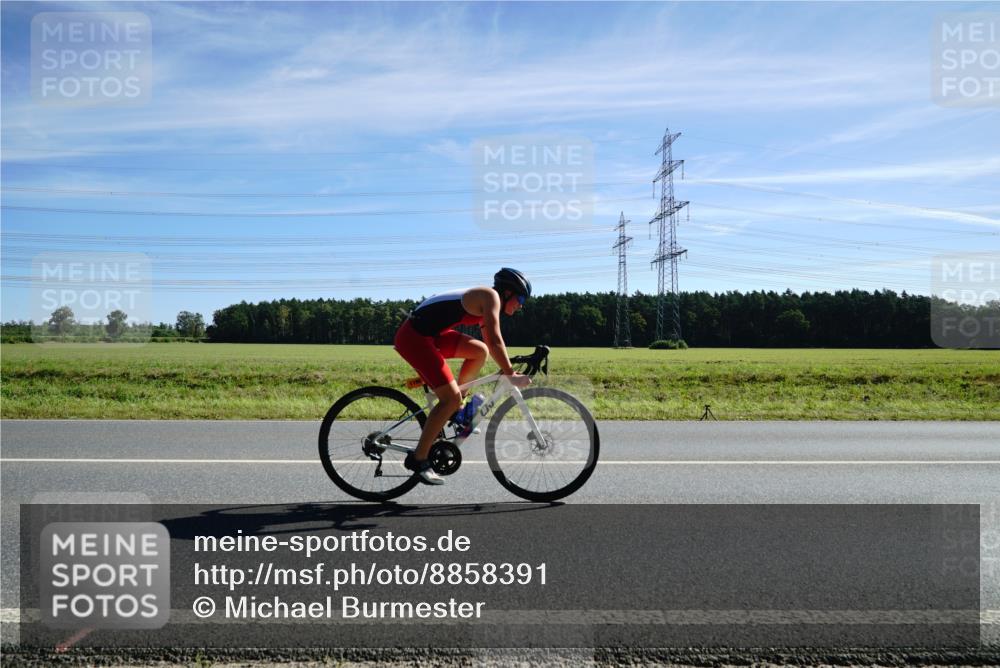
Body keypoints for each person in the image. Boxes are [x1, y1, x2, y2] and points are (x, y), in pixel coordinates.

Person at [393, 268, 533, 485]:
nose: (521, 304)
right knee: (450, 398)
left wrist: (508, 367)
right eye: (521, 298)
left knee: (479, 351)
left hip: (430, 335)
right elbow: (495, 339)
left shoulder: (486, 299)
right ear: (507, 293)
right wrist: (510, 374)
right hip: (415, 338)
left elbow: (488, 343)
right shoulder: (491, 297)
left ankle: (458, 410)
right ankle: (419, 459)